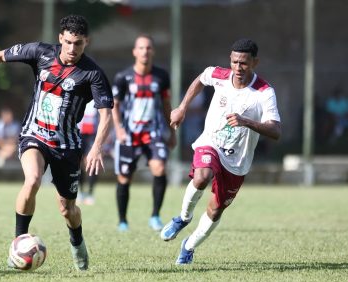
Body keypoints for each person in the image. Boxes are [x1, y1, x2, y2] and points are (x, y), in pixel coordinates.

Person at [0, 14, 113, 271]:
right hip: (34, 134)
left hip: (67, 146)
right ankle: (19, 243)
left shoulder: (92, 74)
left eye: (78, 44)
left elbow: (106, 112)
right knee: (32, 180)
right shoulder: (40, 53)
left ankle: (77, 241)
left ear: (86, 42)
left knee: (68, 210)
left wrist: (97, 146)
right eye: (68, 42)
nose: (72, 49)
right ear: (60, 39)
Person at [160, 38, 281, 265]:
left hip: (238, 160)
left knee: (215, 210)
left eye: (243, 63)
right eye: (234, 62)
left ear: (255, 62)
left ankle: (189, 245)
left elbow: (275, 130)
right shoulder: (218, 75)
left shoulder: (264, 92)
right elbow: (200, 80)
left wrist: (247, 122)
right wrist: (182, 107)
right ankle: (183, 218)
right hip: (211, 143)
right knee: (202, 175)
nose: (238, 68)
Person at [111, 34, 176, 232]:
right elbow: (115, 105)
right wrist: (119, 129)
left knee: (159, 169)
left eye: (148, 48)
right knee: (124, 177)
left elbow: (166, 104)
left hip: (153, 133)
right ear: (134, 52)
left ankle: (155, 216)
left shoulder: (162, 76)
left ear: (153, 51)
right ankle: (123, 220)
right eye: (141, 48)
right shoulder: (123, 77)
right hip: (129, 134)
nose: (145, 51)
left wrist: (172, 131)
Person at [77, 101, 100, 205]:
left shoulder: (97, 93)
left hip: (92, 133)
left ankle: (90, 193)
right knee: (78, 163)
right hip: (78, 132)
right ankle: (80, 192)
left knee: (91, 163)